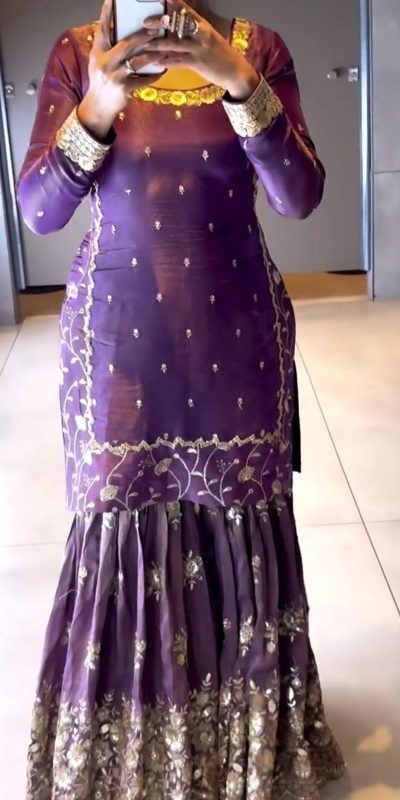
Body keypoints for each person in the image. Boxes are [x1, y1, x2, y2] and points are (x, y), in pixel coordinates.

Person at [17, 0, 345, 797]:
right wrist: (99, 103)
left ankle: (247, 749)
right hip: (119, 350)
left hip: (236, 341)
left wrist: (238, 82)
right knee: (124, 531)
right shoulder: (80, 54)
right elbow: (39, 210)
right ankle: (133, 756)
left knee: (240, 528)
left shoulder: (257, 49)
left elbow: (299, 197)